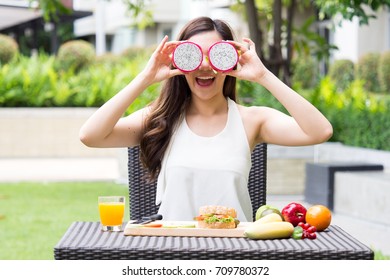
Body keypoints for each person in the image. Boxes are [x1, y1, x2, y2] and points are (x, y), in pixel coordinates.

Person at [79, 17, 333, 222]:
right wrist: (145, 77)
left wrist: (263, 75)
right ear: (180, 61)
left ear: (230, 61)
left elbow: (319, 131)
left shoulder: (252, 120)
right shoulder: (159, 118)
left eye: (217, 55)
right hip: (173, 254)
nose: (204, 65)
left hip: (236, 254)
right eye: (192, 55)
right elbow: (90, 136)